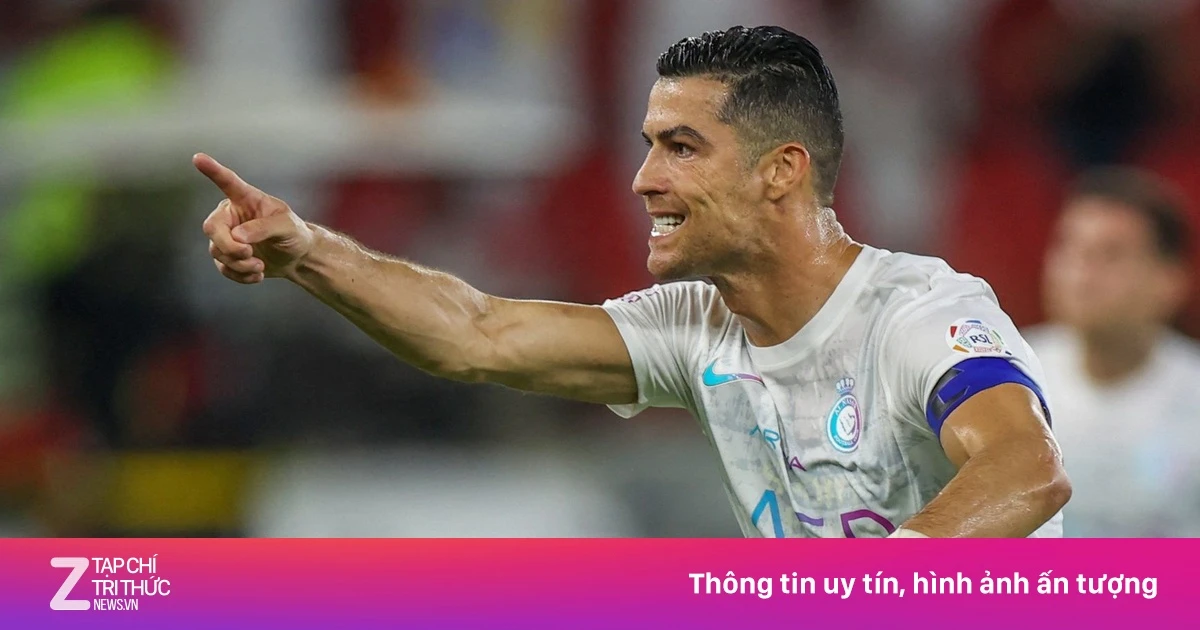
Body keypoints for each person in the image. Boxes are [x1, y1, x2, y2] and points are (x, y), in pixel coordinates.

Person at [197, 26, 1068, 538]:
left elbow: (1027, 469)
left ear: (781, 170)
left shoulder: (918, 315)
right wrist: (305, 250)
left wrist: (864, 593)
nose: (644, 180)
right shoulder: (695, 327)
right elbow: (476, 334)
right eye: (649, 146)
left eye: (681, 148)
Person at [1027, 167, 1200, 537]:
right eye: (1070, 247)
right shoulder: (1003, 379)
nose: (1081, 272)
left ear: (1170, 280)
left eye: (1110, 254)